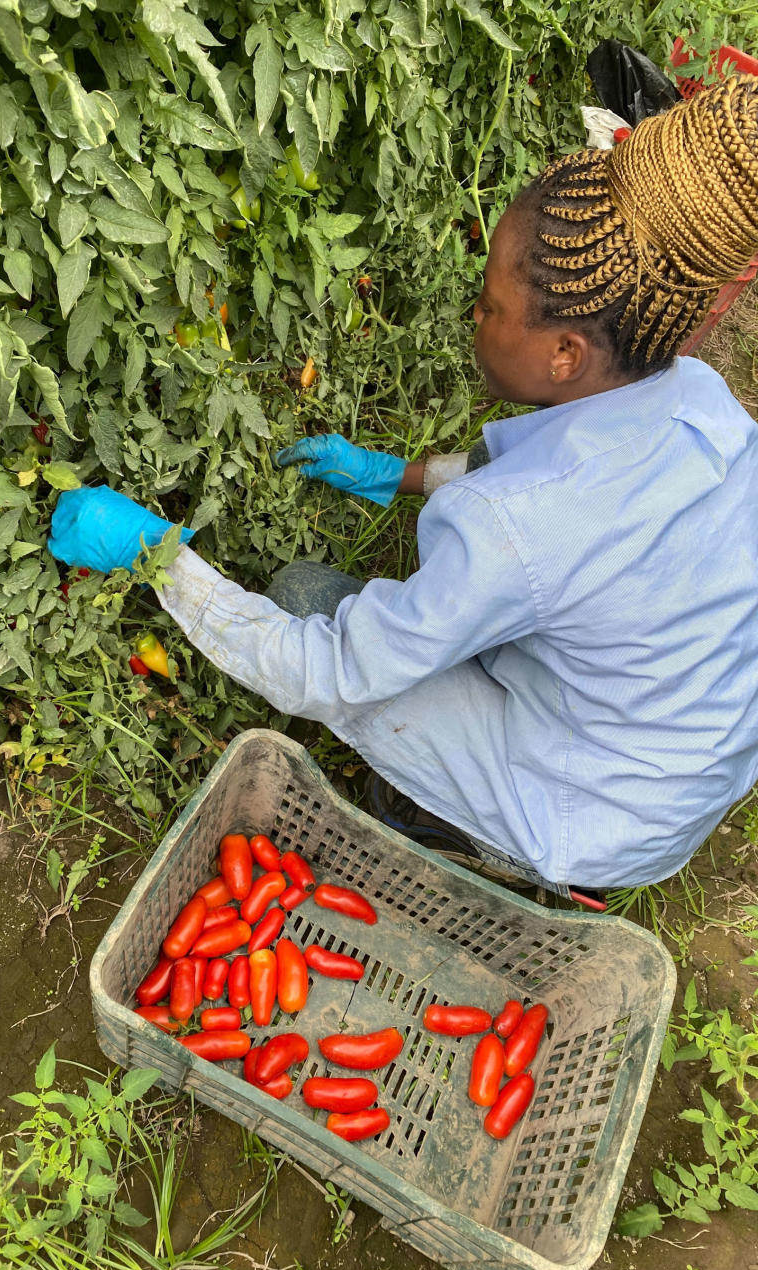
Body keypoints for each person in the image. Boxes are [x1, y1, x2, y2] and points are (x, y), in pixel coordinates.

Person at [49, 74, 758, 899]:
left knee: (307, 597)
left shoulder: (510, 532)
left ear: (564, 352)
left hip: (590, 819)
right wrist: (399, 476)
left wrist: (157, 557)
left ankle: (494, 853)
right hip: (681, 768)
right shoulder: (702, 402)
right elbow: (557, 485)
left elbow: (325, 672)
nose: (473, 316)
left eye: (491, 306)